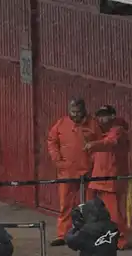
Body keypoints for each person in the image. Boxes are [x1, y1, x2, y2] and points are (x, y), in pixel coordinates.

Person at [46, 98, 101, 246]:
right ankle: (63, 235)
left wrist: (94, 164)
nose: (75, 115)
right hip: (67, 172)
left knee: (90, 205)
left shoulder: (93, 124)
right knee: (65, 205)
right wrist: (58, 160)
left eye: (78, 112)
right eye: (73, 112)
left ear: (84, 110)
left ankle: (89, 234)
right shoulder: (61, 123)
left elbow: (100, 144)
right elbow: (52, 141)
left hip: (88, 173)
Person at [85, 105, 131, 250]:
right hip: (100, 179)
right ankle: (108, 237)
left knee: (114, 213)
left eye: (104, 115)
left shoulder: (118, 131)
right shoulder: (103, 132)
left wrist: (92, 145)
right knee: (101, 212)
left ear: (112, 116)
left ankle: (120, 240)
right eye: (99, 115)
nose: (101, 119)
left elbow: (109, 143)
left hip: (110, 179)